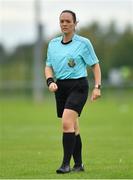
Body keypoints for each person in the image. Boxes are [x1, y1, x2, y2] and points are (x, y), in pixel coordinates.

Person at [44, 10, 101, 174]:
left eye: (68, 21)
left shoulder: (83, 43)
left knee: (66, 123)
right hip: (61, 88)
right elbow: (48, 66)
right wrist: (50, 82)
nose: (64, 24)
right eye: (61, 21)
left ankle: (65, 165)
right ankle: (79, 164)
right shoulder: (53, 44)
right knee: (73, 127)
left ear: (75, 23)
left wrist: (97, 87)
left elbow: (95, 65)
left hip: (79, 86)